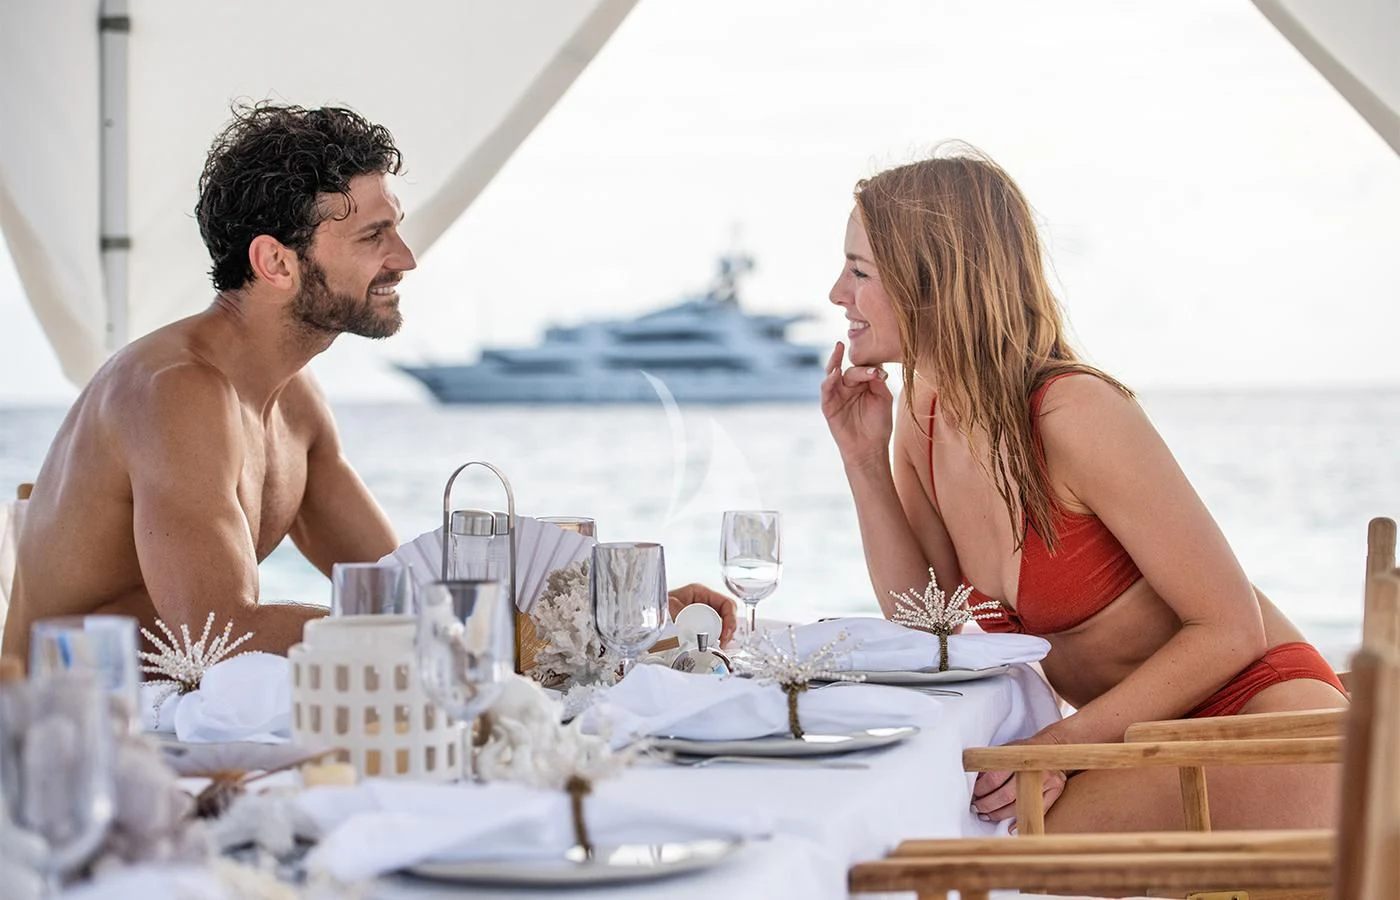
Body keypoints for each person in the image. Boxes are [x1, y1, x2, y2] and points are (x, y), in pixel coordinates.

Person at [3, 103, 733, 663]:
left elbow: (403, 586)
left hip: (172, 724)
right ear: (275, 262)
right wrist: (451, 631)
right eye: (372, 236)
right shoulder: (175, 392)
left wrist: (617, 617)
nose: (405, 257)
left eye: (395, 228)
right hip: (62, 739)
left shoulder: (293, 401)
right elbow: (221, 636)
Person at [820, 146, 1346, 833]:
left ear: (933, 278)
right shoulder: (924, 412)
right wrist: (862, 459)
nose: (837, 293)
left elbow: (1230, 629)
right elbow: (926, 623)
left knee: (1002, 842)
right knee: (961, 822)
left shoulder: (1073, 413)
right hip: (1137, 745)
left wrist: (1059, 748)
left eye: (859, 271)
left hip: (1265, 724)